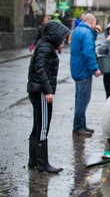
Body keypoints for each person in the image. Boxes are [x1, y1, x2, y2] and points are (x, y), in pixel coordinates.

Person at [27, 20, 70, 173]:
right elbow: (40, 69)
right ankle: (43, 164)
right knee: (43, 126)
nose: (64, 40)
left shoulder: (44, 45)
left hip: (36, 90)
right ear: (55, 35)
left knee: (37, 125)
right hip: (41, 92)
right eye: (63, 37)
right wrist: (48, 91)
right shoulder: (46, 47)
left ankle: (34, 160)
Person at [70, 13, 102, 136]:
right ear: (92, 21)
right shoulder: (86, 33)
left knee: (79, 99)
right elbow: (89, 52)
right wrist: (95, 68)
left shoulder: (78, 30)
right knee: (82, 101)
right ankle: (78, 127)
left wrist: (94, 33)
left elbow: (87, 43)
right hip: (83, 71)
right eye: (95, 23)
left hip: (77, 69)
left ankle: (81, 125)